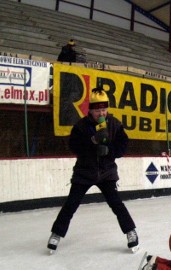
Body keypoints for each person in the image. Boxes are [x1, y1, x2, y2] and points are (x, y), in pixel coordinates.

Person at [47, 88, 138, 253]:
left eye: (104, 109)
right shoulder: (81, 126)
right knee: (71, 204)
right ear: (90, 110)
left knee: (117, 204)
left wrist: (109, 150)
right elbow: (73, 146)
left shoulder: (115, 124)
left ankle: (131, 232)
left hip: (107, 173)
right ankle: (56, 234)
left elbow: (122, 146)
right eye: (97, 110)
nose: (101, 113)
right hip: (84, 172)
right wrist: (92, 142)